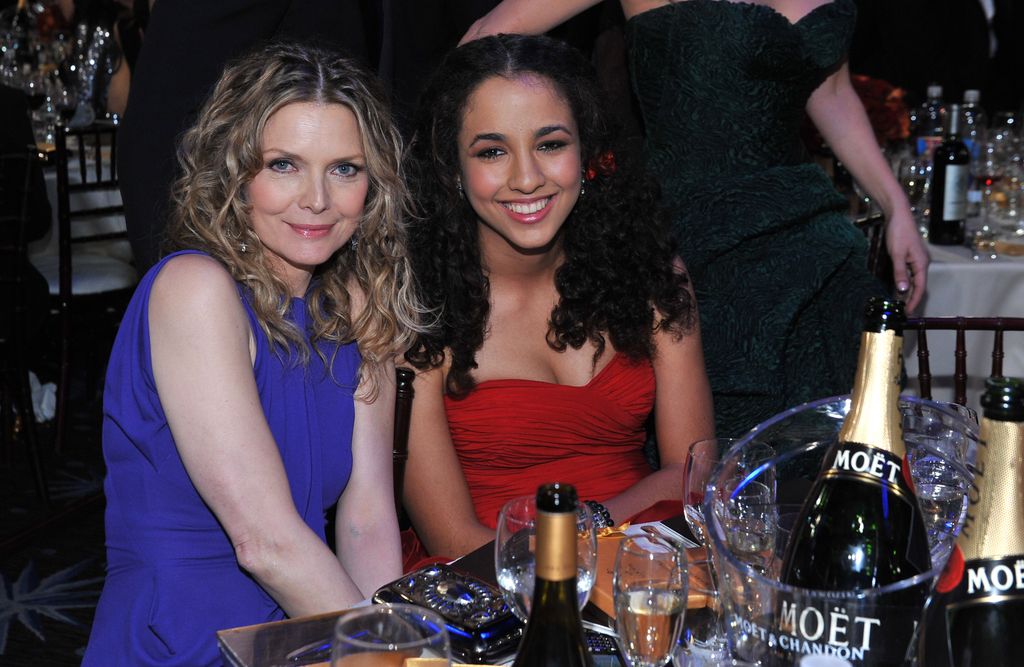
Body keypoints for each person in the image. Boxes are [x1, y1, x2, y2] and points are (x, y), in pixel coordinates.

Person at [82, 40, 424, 666]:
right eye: (284, 165)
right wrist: (387, 658)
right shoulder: (194, 289)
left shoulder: (360, 303)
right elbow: (263, 542)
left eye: (345, 168)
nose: (317, 199)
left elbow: (367, 520)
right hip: (184, 640)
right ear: (234, 173)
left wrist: (384, 644)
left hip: (309, 623)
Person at [463, 0, 930, 438]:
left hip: (808, 232)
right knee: (718, 453)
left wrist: (897, 209)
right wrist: (537, 150)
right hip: (696, 236)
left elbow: (830, 90)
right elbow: (487, 37)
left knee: (844, 432)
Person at [401, 33, 715, 563]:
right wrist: (593, 533)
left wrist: (592, 532)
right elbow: (453, 540)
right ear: (452, 168)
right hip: (493, 592)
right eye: (492, 151)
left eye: (550, 144)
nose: (527, 179)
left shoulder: (648, 276)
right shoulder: (418, 306)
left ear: (586, 151)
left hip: (650, 568)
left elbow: (693, 475)